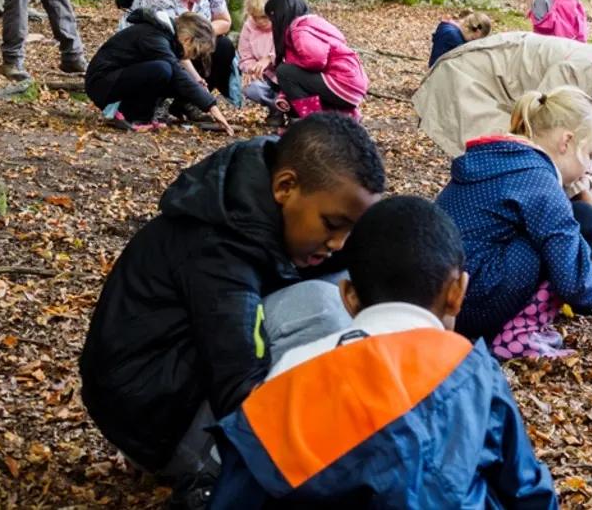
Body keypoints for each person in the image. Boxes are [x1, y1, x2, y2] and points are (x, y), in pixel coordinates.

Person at [79, 115, 386, 501]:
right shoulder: (218, 247)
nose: (339, 242)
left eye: (352, 230)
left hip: (180, 392)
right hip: (160, 424)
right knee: (322, 306)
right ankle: (221, 475)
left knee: (347, 284)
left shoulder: (263, 205)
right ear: (285, 187)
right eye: (332, 224)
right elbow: (238, 386)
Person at [207, 196, 558, 509]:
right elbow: (526, 488)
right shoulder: (469, 368)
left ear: (348, 296)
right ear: (457, 292)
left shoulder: (288, 373)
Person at [437, 87, 592, 359]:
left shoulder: (502, 158)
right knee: (558, 243)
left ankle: (510, 330)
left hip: (442, 299)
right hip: (469, 304)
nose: (589, 169)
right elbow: (573, 282)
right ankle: (515, 335)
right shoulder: (537, 179)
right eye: (590, 156)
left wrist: (583, 255)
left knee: (565, 233)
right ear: (566, 141)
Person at [413, 31, 592, 159]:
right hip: (468, 78)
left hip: (501, 90)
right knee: (502, 160)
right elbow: (543, 138)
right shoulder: (575, 73)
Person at [117, 0, 237, 122]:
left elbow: (224, 21)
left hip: (185, 42)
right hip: (150, 49)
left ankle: (186, 102)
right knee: (165, 60)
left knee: (222, 47)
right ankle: (155, 101)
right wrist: (196, 81)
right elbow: (169, 42)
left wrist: (200, 33)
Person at [84, 8, 233, 134]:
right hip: (101, 84)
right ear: (187, 40)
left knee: (166, 72)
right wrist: (211, 106)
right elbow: (175, 71)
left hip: (117, 79)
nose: (192, 56)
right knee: (163, 69)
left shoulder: (165, 36)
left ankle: (146, 116)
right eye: (194, 51)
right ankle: (131, 115)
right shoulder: (154, 36)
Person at [266, 0, 368, 122]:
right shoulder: (312, 23)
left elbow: (316, 60)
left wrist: (291, 67)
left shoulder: (300, 31)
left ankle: (316, 124)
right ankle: (343, 116)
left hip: (342, 82)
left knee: (284, 71)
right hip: (352, 84)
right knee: (288, 73)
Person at [238, 0, 284, 127]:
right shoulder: (249, 27)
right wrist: (252, 67)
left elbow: (292, 52)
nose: (259, 21)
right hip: (266, 77)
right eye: (255, 16)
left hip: (287, 75)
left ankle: (293, 110)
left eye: (264, 17)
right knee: (251, 88)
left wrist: (269, 59)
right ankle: (276, 109)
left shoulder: (284, 23)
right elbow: (245, 56)